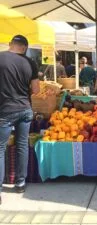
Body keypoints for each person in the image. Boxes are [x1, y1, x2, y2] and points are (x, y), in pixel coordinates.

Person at [0, 35, 40, 204]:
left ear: (11, 45)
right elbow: (36, 90)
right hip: (25, 109)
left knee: (0, 148)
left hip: (5, 110)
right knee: (22, 145)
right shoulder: (30, 62)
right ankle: (20, 183)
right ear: (24, 47)